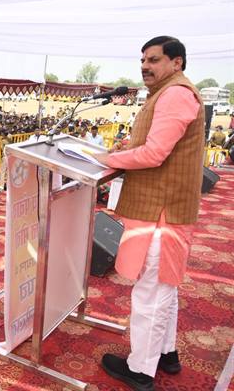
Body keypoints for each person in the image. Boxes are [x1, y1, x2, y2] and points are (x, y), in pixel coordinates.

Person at [94, 36, 205, 390]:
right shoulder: (167, 92)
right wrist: (128, 149)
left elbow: (155, 154)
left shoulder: (175, 94)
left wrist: (110, 159)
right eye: (142, 60)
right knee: (164, 288)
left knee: (151, 293)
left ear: (177, 62)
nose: (145, 66)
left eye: (154, 60)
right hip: (165, 209)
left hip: (162, 212)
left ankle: (141, 369)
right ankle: (166, 354)